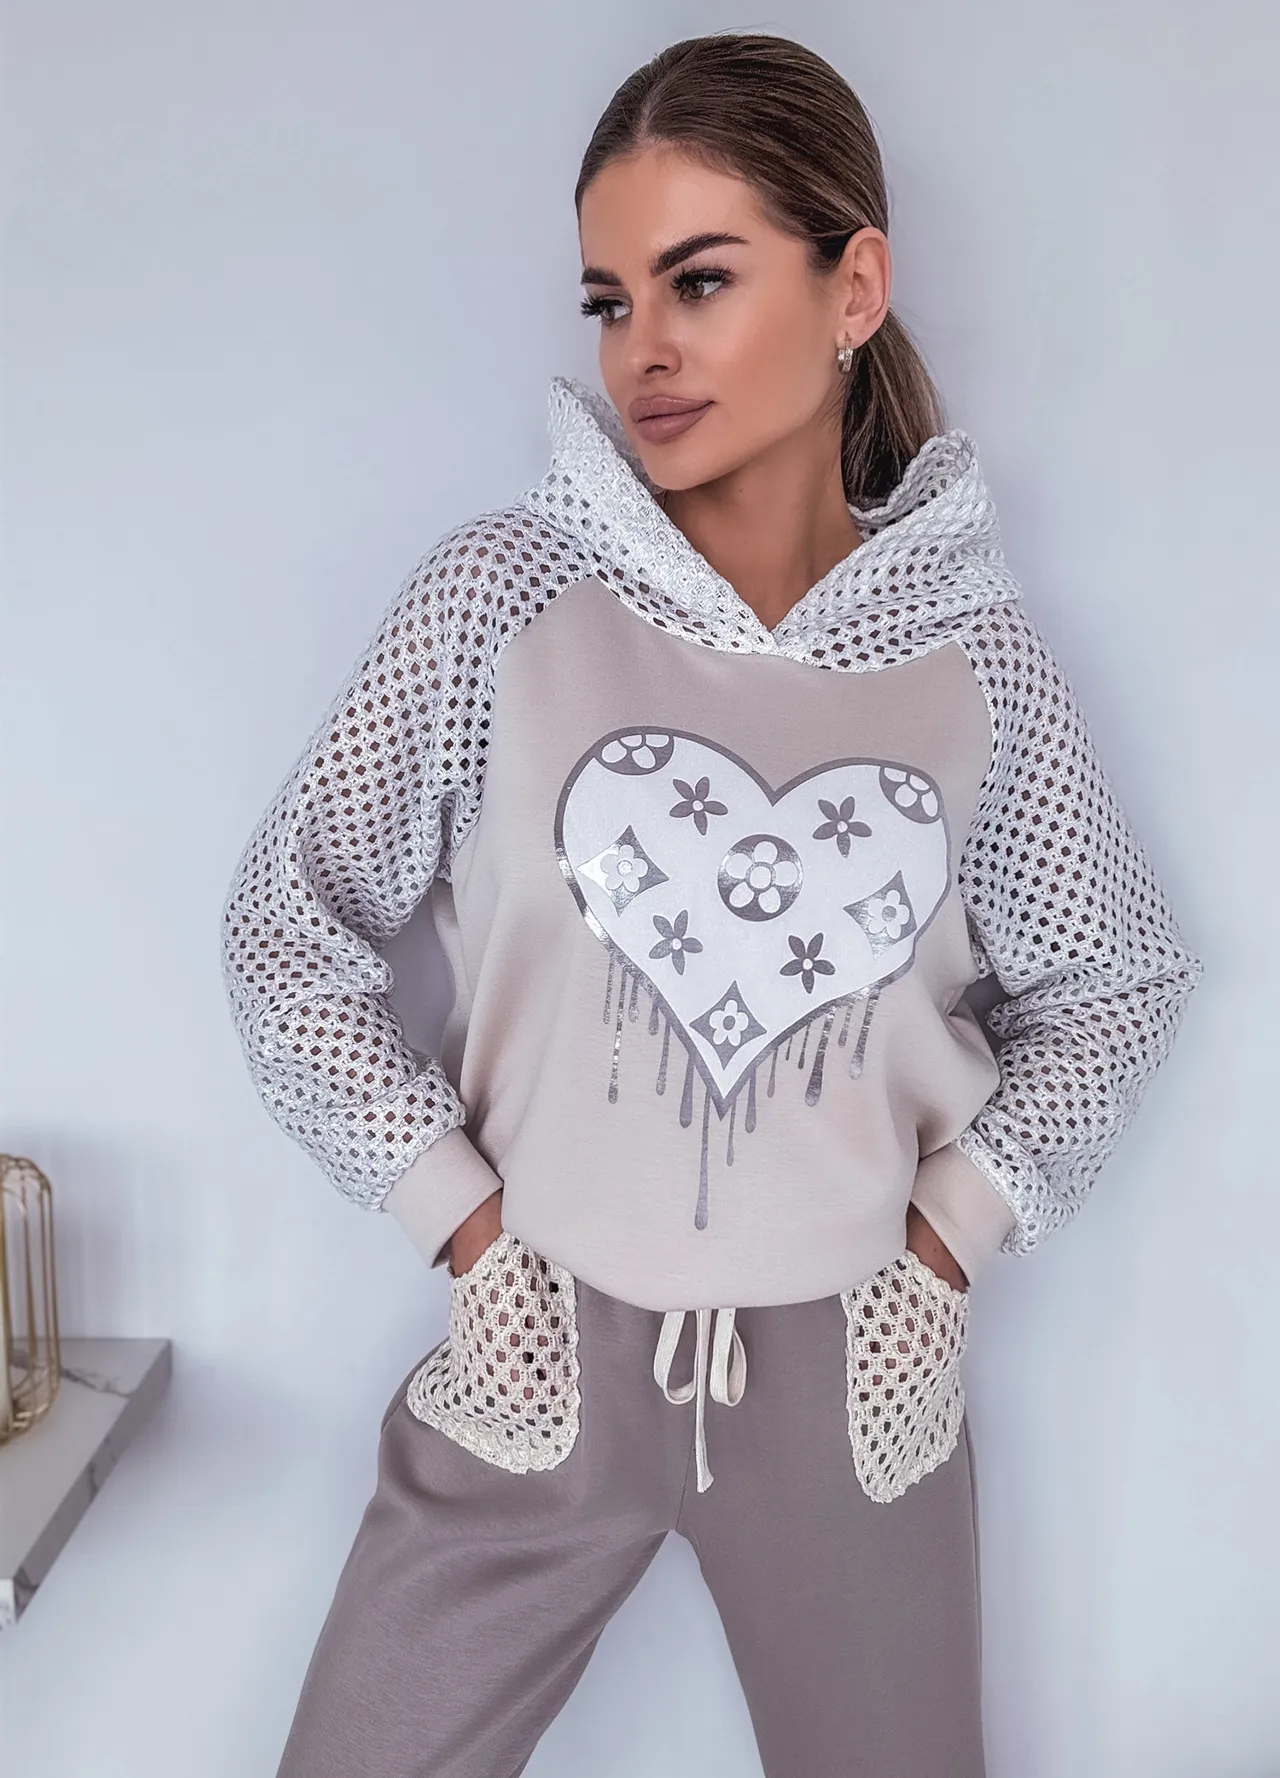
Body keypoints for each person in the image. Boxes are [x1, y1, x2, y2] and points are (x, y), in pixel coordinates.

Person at [220, 30, 1204, 1778]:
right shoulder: (502, 602)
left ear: (853, 288)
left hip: (854, 1381)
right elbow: (285, 929)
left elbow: (1116, 979)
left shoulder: (973, 664)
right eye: (610, 301)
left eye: (699, 280)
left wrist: (944, 1245)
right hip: (541, 1348)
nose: (643, 351)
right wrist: (465, 1226)